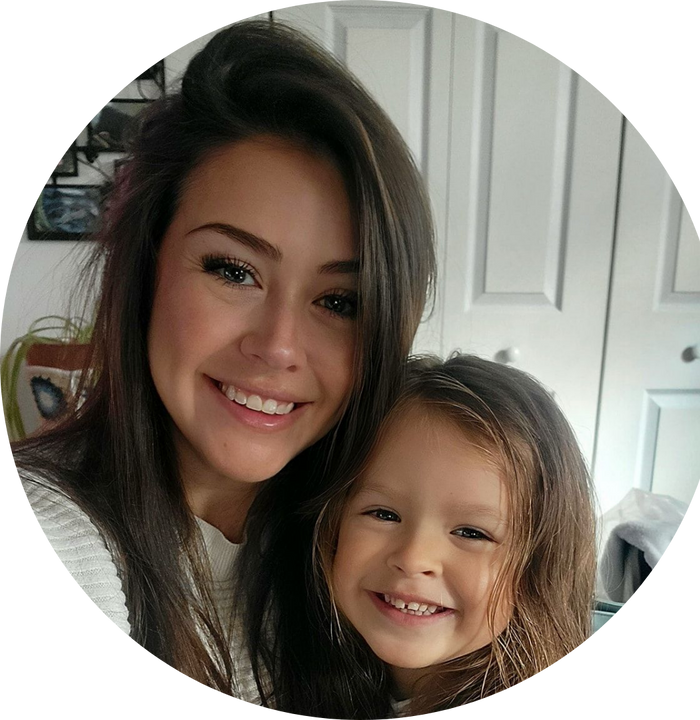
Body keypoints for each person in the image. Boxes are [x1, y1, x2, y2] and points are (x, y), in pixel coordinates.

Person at [10, 20, 435, 703]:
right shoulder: (59, 532)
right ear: (146, 268)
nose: (279, 346)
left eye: (340, 302)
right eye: (234, 271)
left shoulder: (371, 546)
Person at [258, 353, 596, 718]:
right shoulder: (284, 667)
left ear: (540, 565)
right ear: (333, 523)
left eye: (471, 533)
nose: (413, 558)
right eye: (384, 514)